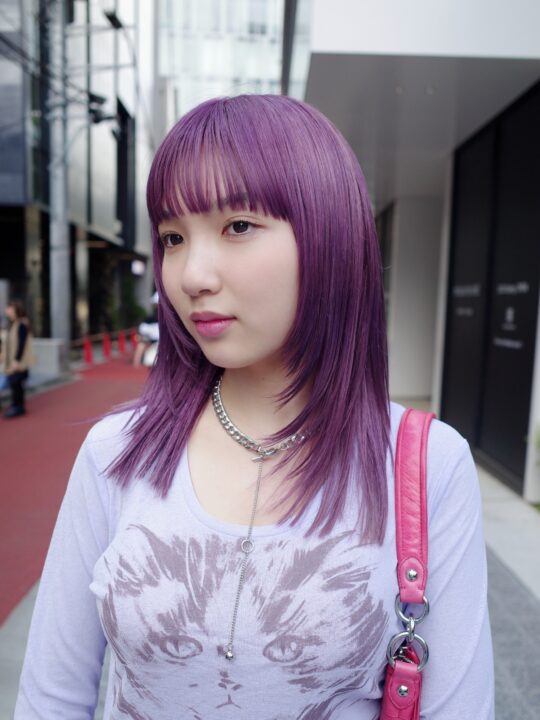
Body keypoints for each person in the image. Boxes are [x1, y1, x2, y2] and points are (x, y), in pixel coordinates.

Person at [15, 95, 494, 718]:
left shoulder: (428, 465)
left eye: (238, 226)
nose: (192, 275)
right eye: (173, 237)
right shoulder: (118, 451)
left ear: (329, 237)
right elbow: (50, 697)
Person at [1, 300, 33, 418]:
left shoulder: (21, 324)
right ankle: (17, 405)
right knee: (14, 383)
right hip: (10, 360)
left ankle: (18, 407)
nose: (7, 310)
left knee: (16, 383)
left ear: (15, 311)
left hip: (17, 361)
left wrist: (17, 360)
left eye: (10, 308)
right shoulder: (11, 324)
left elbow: (22, 343)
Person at [132, 292, 160, 367]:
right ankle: (136, 366)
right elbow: (143, 336)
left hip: (166, 345)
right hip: (152, 344)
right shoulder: (149, 320)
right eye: (157, 305)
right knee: (141, 345)